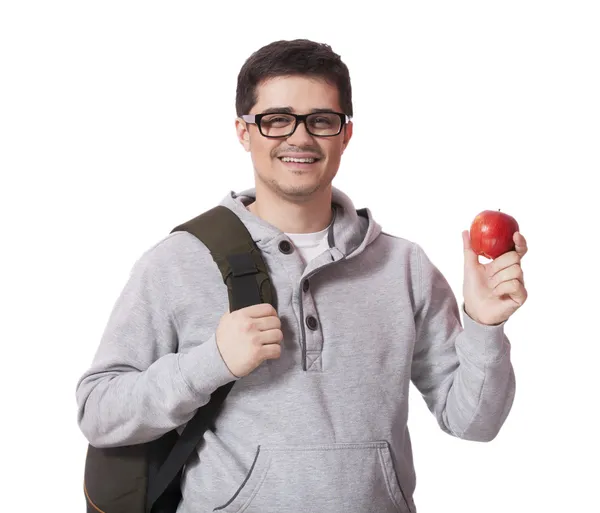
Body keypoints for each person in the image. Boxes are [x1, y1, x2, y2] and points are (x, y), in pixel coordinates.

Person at [76, 39, 528, 513]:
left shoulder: (404, 267)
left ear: (345, 134)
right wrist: (210, 362)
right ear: (243, 131)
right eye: (276, 120)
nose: (300, 138)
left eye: (321, 120)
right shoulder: (178, 262)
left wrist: (483, 324)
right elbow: (99, 412)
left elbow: (474, 423)